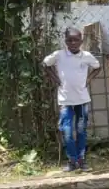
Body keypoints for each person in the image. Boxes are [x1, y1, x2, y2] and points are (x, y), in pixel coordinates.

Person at [42, 28, 101, 171]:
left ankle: (81, 160)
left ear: (81, 41)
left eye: (76, 40)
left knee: (81, 130)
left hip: (82, 100)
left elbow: (97, 67)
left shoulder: (86, 56)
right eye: (70, 40)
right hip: (65, 101)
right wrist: (55, 79)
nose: (73, 42)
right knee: (67, 131)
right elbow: (45, 64)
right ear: (65, 41)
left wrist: (88, 80)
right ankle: (72, 161)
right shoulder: (59, 55)